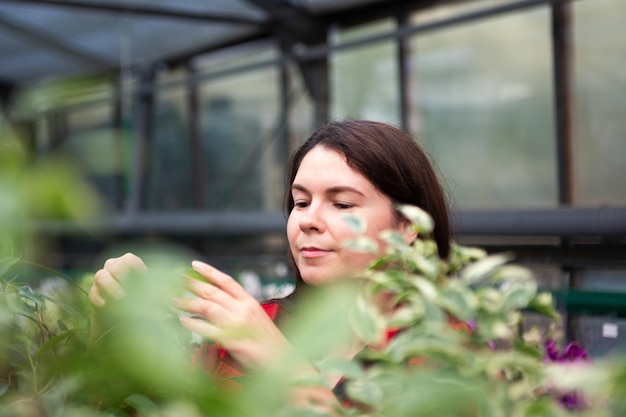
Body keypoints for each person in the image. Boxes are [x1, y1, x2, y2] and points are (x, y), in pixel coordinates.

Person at [88, 119, 452, 409]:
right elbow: (128, 401)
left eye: (341, 204)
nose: (308, 220)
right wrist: (111, 322)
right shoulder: (249, 327)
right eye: (301, 202)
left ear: (407, 226)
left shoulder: (446, 353)